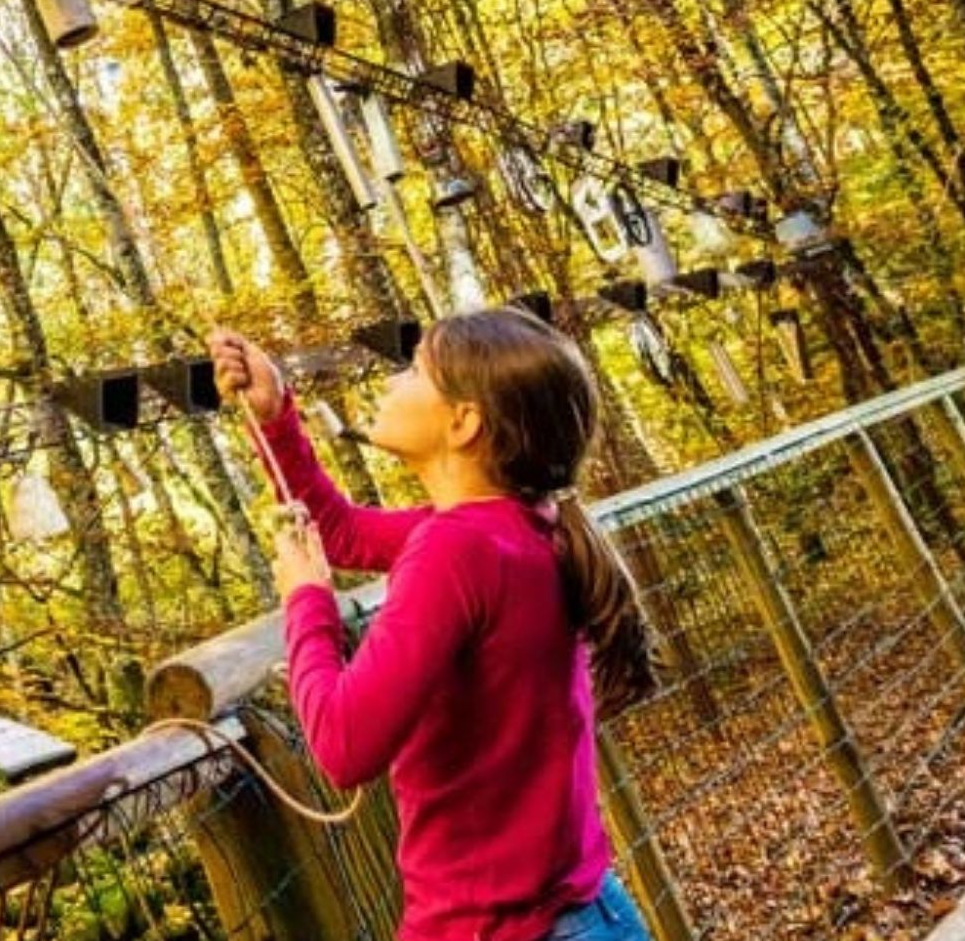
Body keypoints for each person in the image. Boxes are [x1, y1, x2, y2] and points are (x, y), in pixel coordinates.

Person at [207, 307, 658, 941]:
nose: (393, 382)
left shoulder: (457, 549)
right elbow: (339, 530)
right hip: (587, 913)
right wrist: (276, 415)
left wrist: (306, 599)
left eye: (415, 370)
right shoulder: (515, 523)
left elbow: (342, 744)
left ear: (464, 421)